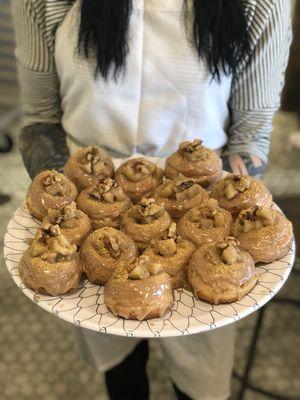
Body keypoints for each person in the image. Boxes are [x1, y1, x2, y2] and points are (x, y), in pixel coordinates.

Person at [11, 1, 291, 399]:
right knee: (118, 364)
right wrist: (68, 216)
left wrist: (235, 222)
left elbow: (250, 134)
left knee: (201, 378)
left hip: (205, 212)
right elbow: (41, 121)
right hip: (88, 215)